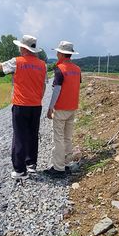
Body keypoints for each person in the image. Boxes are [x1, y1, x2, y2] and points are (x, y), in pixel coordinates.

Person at [0, 35, 47, 180]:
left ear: (23, 48)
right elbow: (44, 85)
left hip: (21, 105)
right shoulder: (42, 65)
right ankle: (31, 164)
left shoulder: (17, 62)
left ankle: (20, 170)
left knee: (19, 136)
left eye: (20, 46)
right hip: (36, 105)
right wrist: (38, 98)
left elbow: (2, 66)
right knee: (33, 135)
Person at [43, 40, 81, 178]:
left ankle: (58, 168)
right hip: (72, 108)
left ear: (62, 54)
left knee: (58, 138)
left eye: (58, 52)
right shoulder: (77, 69)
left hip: (61, 108)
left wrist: (50, 108)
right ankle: (66, 163)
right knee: (67, 137)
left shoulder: (60, 69)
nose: (57, 54)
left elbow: (57, 89)